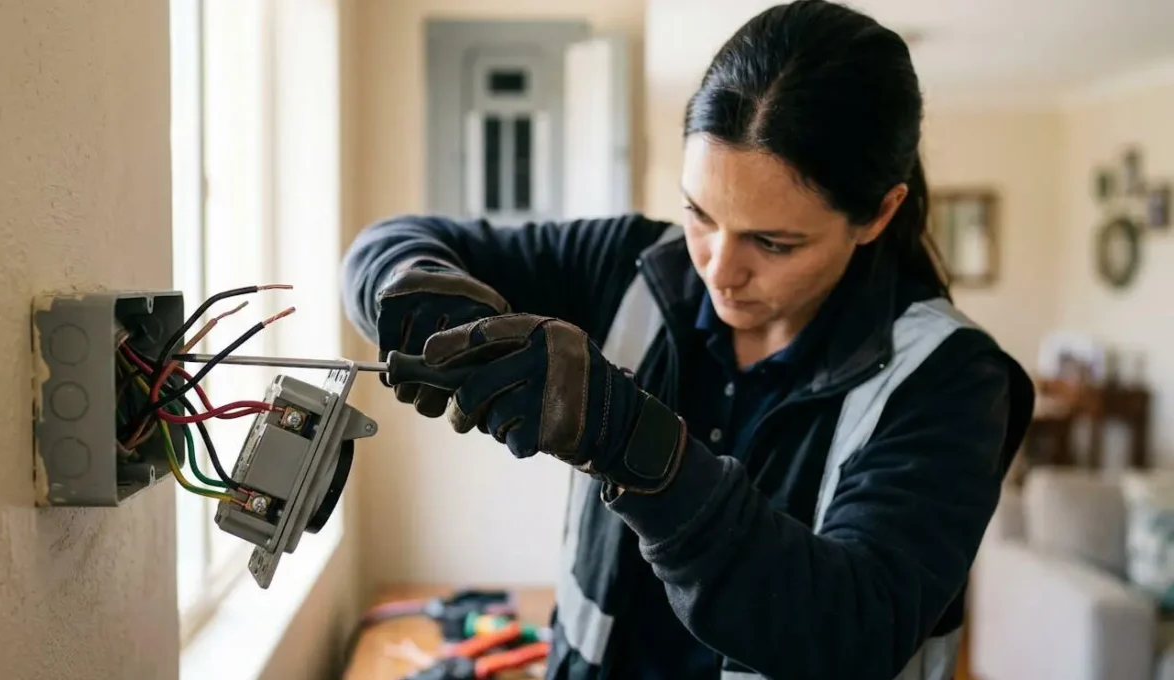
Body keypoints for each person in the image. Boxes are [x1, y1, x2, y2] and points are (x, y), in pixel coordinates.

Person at [341, 1, 1035, 678]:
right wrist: (428, 306)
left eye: (774, 241)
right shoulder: (633, 263)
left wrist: (635, 448)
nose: (719, 269)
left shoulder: (952, 382)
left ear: (879, 213)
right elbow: (390, 242)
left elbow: (845, 633)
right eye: (699, 213)